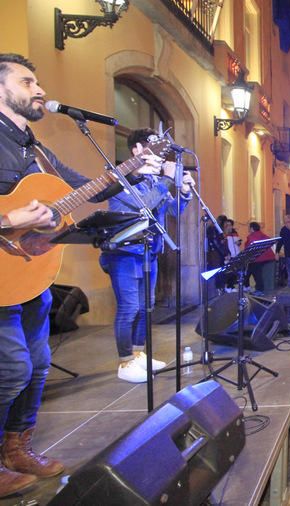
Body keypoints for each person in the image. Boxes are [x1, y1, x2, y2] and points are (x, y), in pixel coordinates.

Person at [0, 53, 163, 493]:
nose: (40, 89)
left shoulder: (33, 147)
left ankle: (17, 447)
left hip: (29, 272)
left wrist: (133, 167)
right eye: (27, 81)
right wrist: (8, 219)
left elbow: (84, 187)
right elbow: (12, 215)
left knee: (37, 364)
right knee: (13, 366)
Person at [99, 128, 193, 383]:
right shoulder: (119, 179)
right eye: (154, 148)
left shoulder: (153, 182)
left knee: (146, 307)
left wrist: (183, 191)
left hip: (149, 252)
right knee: (129, 308)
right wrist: (166, 180)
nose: (161, 155)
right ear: (137, 151)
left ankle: (139, 354)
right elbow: (143, 206)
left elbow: (173, 210)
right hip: (124, 253)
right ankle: (125, 361)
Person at [245, 222, 276, 294]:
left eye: (249, 228)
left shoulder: (251, 237)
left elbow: (249, 249)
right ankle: (264, 289)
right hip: (270, 258)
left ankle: (258, 289)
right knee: (266, 275)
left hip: (258, 259)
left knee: (254, 271)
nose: (248, 229)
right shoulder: (263, 235)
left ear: (252, 229)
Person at [207, 215, 229, 292]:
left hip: (220, 253)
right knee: (217, 270)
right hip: (215, 253)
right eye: (225, 223)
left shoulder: (219, 229)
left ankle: (221, 287)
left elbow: (223, 242)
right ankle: (218, 288)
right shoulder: (213, 229)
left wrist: (226, 253)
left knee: (221, 271)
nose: (226, 225)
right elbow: (215, 242)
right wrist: (223, 252)